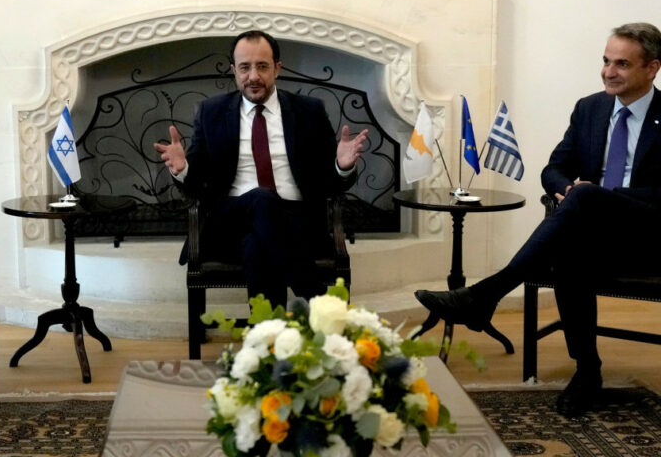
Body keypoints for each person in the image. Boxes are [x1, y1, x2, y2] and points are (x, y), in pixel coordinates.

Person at [415, 22, 661, 416]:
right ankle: (587, 370)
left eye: (622, 64)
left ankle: (485, 296)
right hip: (591, 235)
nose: (608, 72)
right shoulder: (590, 109)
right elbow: (553, 169)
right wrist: (567, 188)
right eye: (605, 61)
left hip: (647, 238)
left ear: (652, 68)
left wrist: (599, 197)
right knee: (568, 250)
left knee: (584, 202)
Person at [155, 30, 368, 306]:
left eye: (262, 66)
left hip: (297, 221)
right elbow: (197, 185)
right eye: (245, 67)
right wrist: (182, 169)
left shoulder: (308, 111)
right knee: (261, 198)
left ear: (277, 68)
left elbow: (330, 182)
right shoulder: (211, 112)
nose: (253, 76)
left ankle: (269, 330)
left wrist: (341, 166)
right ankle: (320, 303)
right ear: (234, 70)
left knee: (258, 246)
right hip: (231, 221)